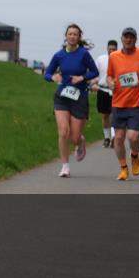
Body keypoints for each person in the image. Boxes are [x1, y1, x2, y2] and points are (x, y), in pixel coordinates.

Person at [44, 24, 100, 177]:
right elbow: (47, 74)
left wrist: (82, 77)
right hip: (62, 97)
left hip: (79, 97)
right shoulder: (59, 55)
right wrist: (53, 77)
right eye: (70, 34)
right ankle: (65, 166)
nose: (72, 36)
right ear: (66, 36)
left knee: (74, 137)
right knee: (63, 132)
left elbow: (95, 72)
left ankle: (80, 142)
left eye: (75, 34)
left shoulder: (84, 54)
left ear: (79, 37)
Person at [105, 27, 139, 181]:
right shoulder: (114, 56)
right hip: (118, 102)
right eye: (126, 37)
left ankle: (134, 155)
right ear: (121, 39)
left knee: (134, 137)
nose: (128, 40)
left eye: (131, 37)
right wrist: (110, 84)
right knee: (119, 138)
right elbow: (109, 76)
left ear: (136, 39)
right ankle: (123, 168)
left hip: (137, 102)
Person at [91, 39, 118, 148]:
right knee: (105, 115)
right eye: (110, 49)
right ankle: (106, 137)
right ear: (107, 48)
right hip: (102, 89)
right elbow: (95, 73)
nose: (111, 51)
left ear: (117, 49)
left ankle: (113, 136)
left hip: (115, 90)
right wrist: (93, 82)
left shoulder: (120, 59)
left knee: (113, 114)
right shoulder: (101, 59)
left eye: (114, 49)